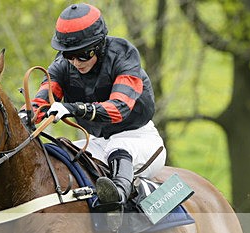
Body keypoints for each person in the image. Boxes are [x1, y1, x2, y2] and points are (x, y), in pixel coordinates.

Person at [29, 3, 167, 206]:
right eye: (69, 55)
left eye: (84, 54)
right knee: (56, 155)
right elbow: (39, 103)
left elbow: (119, 108)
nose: (76, 62)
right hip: (96, 141)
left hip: (138, 138)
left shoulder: (124, 55)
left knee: (119, 147)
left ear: (100, 45)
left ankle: (116, 198)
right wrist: (24, 118)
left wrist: (74, 109)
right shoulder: (62, 66)